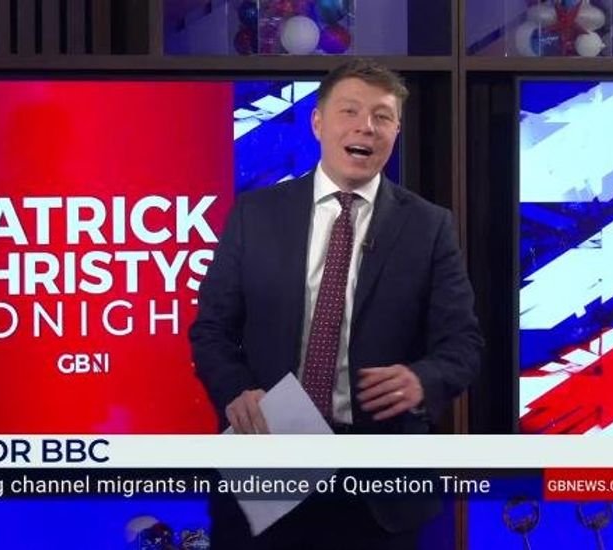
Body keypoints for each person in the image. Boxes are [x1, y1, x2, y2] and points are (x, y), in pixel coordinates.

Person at [188, 58, 483, 549]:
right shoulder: (256, 215)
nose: (366, 126)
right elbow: (212, 329)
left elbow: (463, 345)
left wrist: (422, 379)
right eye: (350, 111)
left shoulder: (428, 227)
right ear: (318, 122)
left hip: (380, 487)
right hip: (270, 462)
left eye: (382, 116)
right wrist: (237, 391)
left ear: (395, 131)